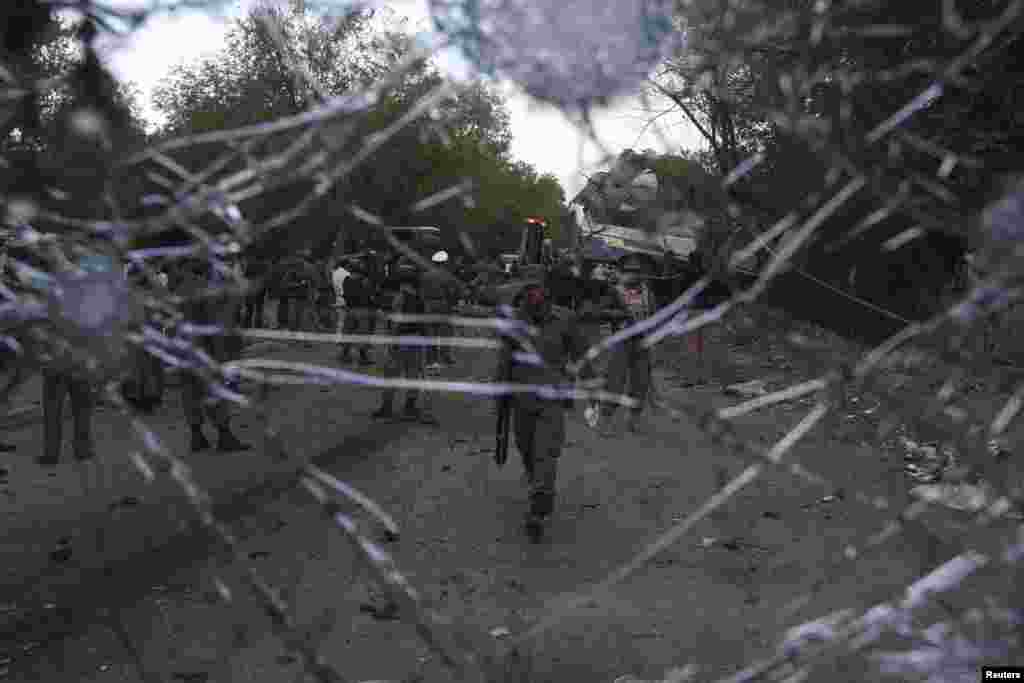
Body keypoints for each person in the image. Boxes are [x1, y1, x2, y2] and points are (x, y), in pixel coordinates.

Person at [496, 271, 593, 541]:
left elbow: (581, 356)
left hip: (552, 400)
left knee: (546, 454)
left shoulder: (565, 321)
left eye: (539, 295)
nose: (534, 301)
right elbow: (505, 359)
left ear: (548, 298)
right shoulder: (514, 322)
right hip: (521, 398)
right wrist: (499, 393)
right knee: (526, 450)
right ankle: (539, 488)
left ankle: (538, 508)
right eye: (529, 296)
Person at [172, 257, 251, 454]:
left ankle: (197, 438)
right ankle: (225, 437)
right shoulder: (204, 290)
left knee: (190, 395)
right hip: (204, 352)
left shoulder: (177, 290)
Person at [372, 261, 438, 424]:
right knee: (413, 375)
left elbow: (396, 321)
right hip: (417, 340)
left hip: (401, 339)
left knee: (391, 374)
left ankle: (387, 408)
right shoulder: (421, 299)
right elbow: (426, 323)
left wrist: (392, 338)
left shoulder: (400, 298)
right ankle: (410, 407)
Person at [599, 260, 654, 435]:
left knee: (641, 383)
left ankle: (633, 420)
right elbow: (601, 311)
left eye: (637, 271)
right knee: (615, 382)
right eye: (630, 271)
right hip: (622, 341)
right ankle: (605, 420)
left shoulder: (647, 292)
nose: (634, 275)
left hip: (642, 341)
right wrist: (619, 314)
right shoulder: (616, 291)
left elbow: (654, 312)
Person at [422, 250, 457, 369]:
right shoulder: (447, 275)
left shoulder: (425, 275)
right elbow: (453, 292)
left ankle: (431, 360)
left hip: (428, 305)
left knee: (430, 333)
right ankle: (446, 356)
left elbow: (421, 292)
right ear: (444, 262)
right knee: (445, 332)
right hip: (443, 304)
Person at [338, 259, 375, 365]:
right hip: (362, 310)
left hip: (349, 309)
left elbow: (345, 294)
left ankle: (344, 355)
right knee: (363, 334)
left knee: (348, 332)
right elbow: (369, 295)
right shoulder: (364, 280)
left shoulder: (347, 279)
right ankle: (363, 357)